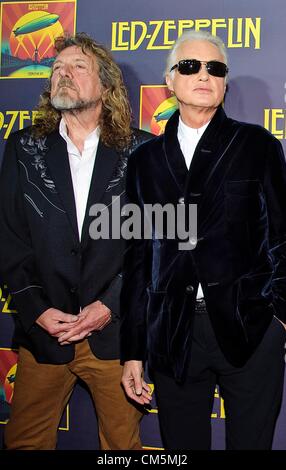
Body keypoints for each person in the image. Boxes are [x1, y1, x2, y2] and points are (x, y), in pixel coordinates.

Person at [120, 30, 286, 450]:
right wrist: (133, 350)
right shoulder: (144, 160)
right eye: (190, 66)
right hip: (174, 334)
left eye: (215, 68)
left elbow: (283, 236)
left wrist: (279, 320)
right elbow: (138, 258)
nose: (203, 75)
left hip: (250, 328)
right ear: (170, 81)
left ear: (224, 83)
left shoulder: (257, 145)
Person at [0, 32, 151, 450]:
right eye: (57, 69)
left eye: (77, 67)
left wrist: (110, 305)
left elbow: (155, 244)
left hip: (116, 334)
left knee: (123, 448)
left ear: (106, 85)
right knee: (24, 443)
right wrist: (37, 310)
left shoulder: (143, 151)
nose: (63, 75)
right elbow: (9, 239)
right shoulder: (23, 147)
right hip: (45, 334)